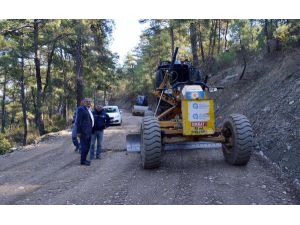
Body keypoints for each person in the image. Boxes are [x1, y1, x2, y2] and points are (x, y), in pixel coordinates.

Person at [76, 98, 94, 166]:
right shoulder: (81, 109)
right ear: (83, 102)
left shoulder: (88, 109)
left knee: (87, 146)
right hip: (84, 132)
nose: (89, 103)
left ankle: (84, 160)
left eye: (90, 101)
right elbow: (78, 121)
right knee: (84, 147)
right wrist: (78, 132)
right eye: (87, 101)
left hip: (89, 131)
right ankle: (82, 161)